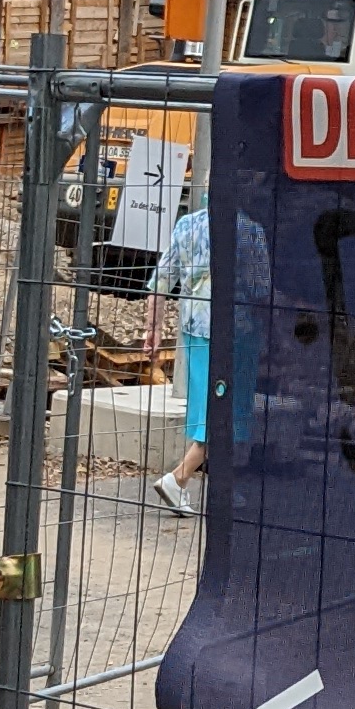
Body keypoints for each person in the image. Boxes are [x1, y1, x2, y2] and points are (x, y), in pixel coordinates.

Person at [146, 194, 271, 517]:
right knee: (229, 410)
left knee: (206, 405)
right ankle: (179, 478)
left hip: (194, 327)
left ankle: (222, 489)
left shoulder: (186, 225)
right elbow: (261, 289)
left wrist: (154, 330)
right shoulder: (250, 231)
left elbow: (160, 280)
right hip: (237, 333)